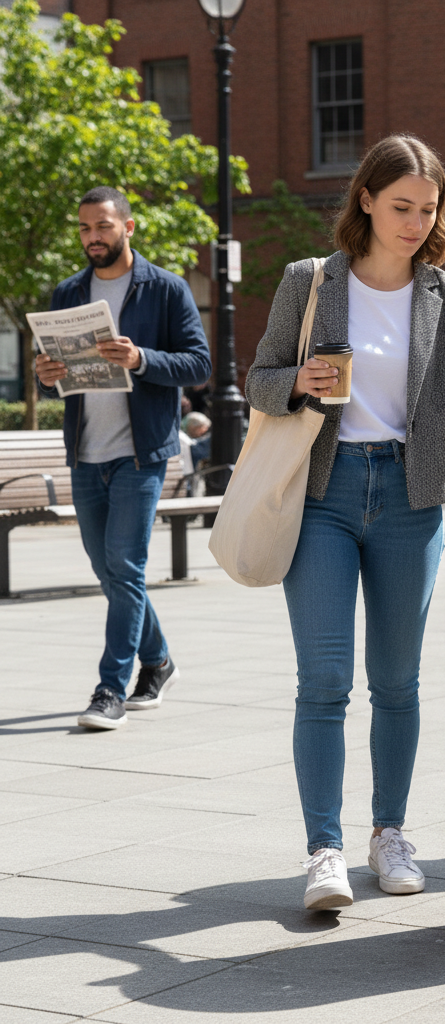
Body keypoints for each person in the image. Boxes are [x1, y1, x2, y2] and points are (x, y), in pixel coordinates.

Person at [245, 135, 445, 911]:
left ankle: (389, 833)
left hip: (411, 495)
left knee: (397, 683)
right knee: (324, 681)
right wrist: (296, 381)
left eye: (428, 210)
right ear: (365, 200)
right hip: (323, 494)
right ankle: (324, 850)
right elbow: (259, 379)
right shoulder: (309, 281)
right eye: (401, 206)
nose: (415, 223)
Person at [34, 186, 210, 730]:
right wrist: (45, 377)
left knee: (125, 567)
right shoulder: (68, 292)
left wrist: (140, 358)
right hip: (86, 454)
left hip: (140, 456)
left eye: (103, 227)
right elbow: (52, 382)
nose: (93, 237)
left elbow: (198, 364)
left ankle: (110, 688)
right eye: (85, 228)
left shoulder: (166, 288)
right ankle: (158, 661)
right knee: (109, 570)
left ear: (127, 227)